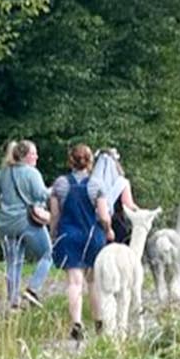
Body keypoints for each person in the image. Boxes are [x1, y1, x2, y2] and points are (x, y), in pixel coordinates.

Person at [48, 144, 105, 342]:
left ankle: (77, 325)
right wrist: (109, 229)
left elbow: (55, 215)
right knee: (93, 281)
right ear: (90, 161)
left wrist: (54, 234)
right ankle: (99, 322)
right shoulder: (96, 185)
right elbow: (104, 216)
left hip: (69, 236)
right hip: (92, 236)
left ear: (70, 161)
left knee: (74, 282)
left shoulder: (60, 184)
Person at [0, 139, 52, 309]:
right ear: (24, 156)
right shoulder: (32, 173)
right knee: (47, 253)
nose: (36, 157)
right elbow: (42, 195)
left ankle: (13, 303)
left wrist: (6, 204)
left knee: (13, 263)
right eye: (33, 153)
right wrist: (55, 189)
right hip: (27, 222)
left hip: (6, 224)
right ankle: (32, 289)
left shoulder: (3, 172)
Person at [88, 147, 141, 246]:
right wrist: (140, 211)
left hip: (92, 226)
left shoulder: (91, 184)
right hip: (116, 226)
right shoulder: (122, 183)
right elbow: (128, 204)